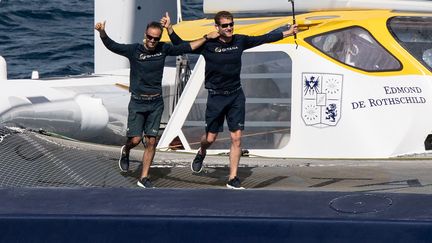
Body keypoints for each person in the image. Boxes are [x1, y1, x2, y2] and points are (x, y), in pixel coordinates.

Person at [161, 11, 298, 189]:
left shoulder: (239, 40)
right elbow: (183, 46)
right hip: (216, 97)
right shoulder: (208, 44)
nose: (229, 28)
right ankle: (202, 152)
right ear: (216, 27)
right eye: (225, 25)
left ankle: (232, 178)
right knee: (210, 138)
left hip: (235, 95)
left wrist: (287, 33)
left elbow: (264, 38)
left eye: (231, 24)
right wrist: (170, 29)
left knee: (237, 138)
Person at [95, 20, 219, 188]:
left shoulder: (163, 48)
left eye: (156, 38)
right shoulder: (134, 50)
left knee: (151, 141)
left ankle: (144, 177)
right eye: (150, 37)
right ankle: (126, 150)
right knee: (136, 140)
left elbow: (187, 47)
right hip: (138, 102)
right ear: (145, 35)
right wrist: (102, 32)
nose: (152, 41)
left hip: (156, 102)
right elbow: (113, 46)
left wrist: (206, 37)